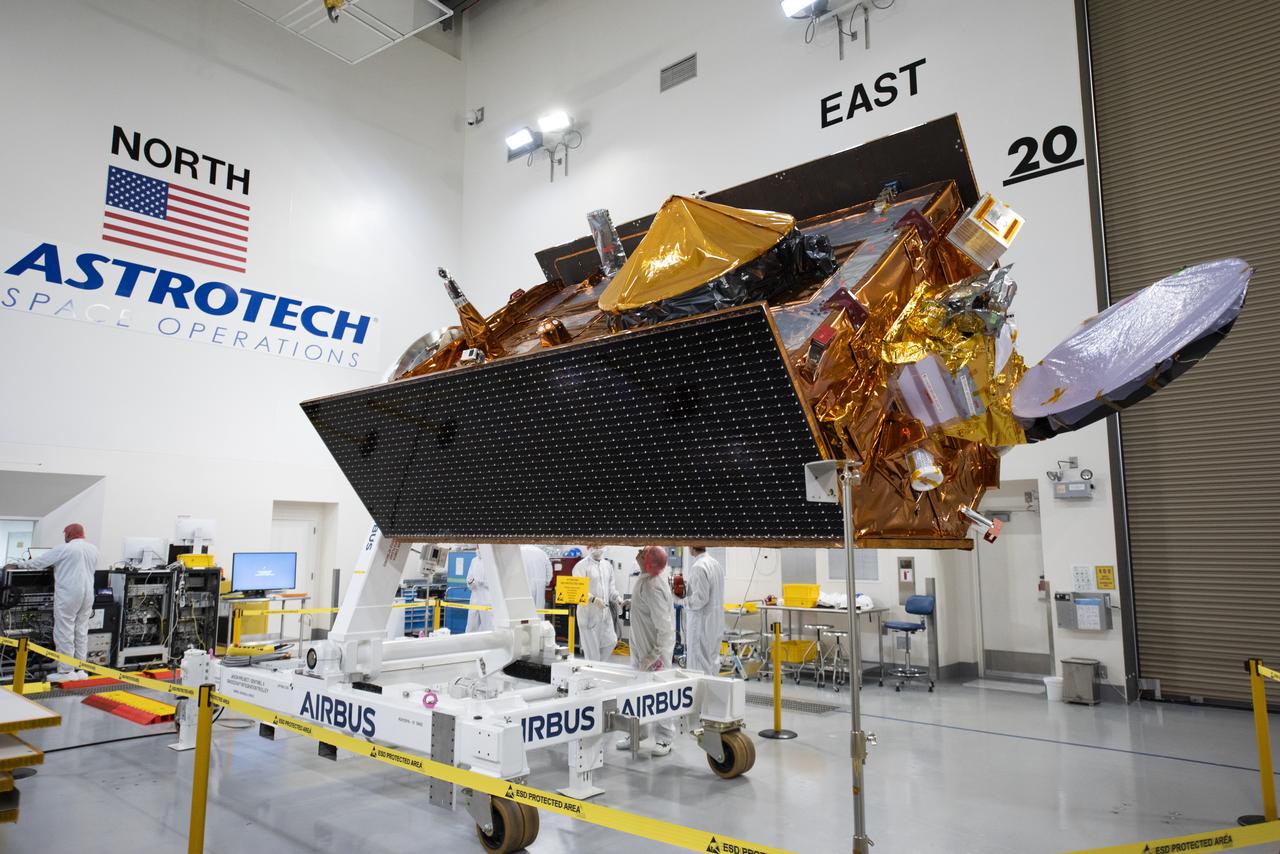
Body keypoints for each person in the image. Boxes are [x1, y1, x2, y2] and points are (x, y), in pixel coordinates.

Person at [11, 524, 98, 682]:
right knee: (81, 630)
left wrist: (19, 565)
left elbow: (39, 562)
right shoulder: (93, 549)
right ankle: (80, 669)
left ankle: (65, 672)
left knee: (64, 630)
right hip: (88, 594)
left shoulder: (64, 549)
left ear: (69, 534)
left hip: (69, 594)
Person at [618, 546, 676, 756]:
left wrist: (654, 655)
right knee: (636, 692)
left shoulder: (653, 585)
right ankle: (637, 732)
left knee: (661, 694)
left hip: (654, 652)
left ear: (650, 562)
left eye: (645, 552)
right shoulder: (645, 579)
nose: (640, 552)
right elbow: (648, 606)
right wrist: (633, 603)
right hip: (641, 648)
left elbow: (665, 627)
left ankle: (664, 739)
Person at [681, 546, 725, 675]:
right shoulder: (716, 564)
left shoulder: (698, 567)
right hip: (714, 624)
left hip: (701, 625)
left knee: (698, 666)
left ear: (691, 546)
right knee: (712, 662)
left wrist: (681, 601)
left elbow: (700, 599)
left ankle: (700, 695)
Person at [573, 546, 621, 660]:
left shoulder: (607, 566)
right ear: (588, 546)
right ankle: (591, 674)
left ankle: (598, 668)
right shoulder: (581, 566)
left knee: (611, 641)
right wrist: (593, 599)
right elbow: (578, 589)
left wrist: (618, 599)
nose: (597, 548)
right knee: (592, 654)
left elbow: (611, 589)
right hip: (588, 614)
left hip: (604, 614)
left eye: (599, 545)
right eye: (594, 545)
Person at [464, 553, 492, 633]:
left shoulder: (491, 560)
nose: (478, 546)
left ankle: (488, 645)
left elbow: (495, 582)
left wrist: (482, 582)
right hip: (475, 599)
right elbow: (469, 578)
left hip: (487, 600)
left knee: (488, 627)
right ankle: (469, 644)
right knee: (471, 627)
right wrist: (470, 582)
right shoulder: (474, 561)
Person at [520, 545, 553, 610]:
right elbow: (549, 568)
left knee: (523, 606)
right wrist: (547, 581)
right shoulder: (541, 552)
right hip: (539, 583)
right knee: (538, 606)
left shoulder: (519, 551)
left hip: (522, 582)